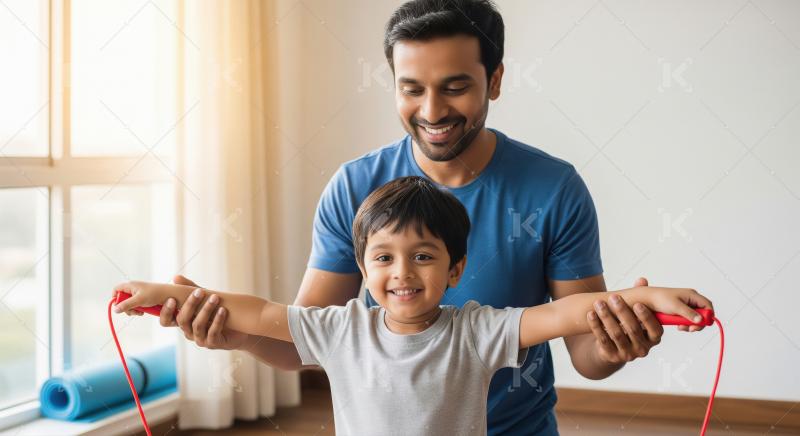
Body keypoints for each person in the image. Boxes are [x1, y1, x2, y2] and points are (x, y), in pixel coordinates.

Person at [117, 0, 705, 433]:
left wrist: (621, 331)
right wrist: (227, 334)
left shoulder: (554, 189)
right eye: (411, 89)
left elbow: (581, 343)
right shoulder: (353, 187)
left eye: (455, 88)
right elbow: (301, 332)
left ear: (494, 81)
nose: (431, 111)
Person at [114, 177, 713, 436]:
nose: (401, 273)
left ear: (454, 270)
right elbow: (257, 313)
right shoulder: (340, 328)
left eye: (423, 257)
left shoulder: (477, 329)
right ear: (363, 267)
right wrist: (168, 297)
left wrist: (644, 299)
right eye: (383, 258)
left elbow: (566, 314)